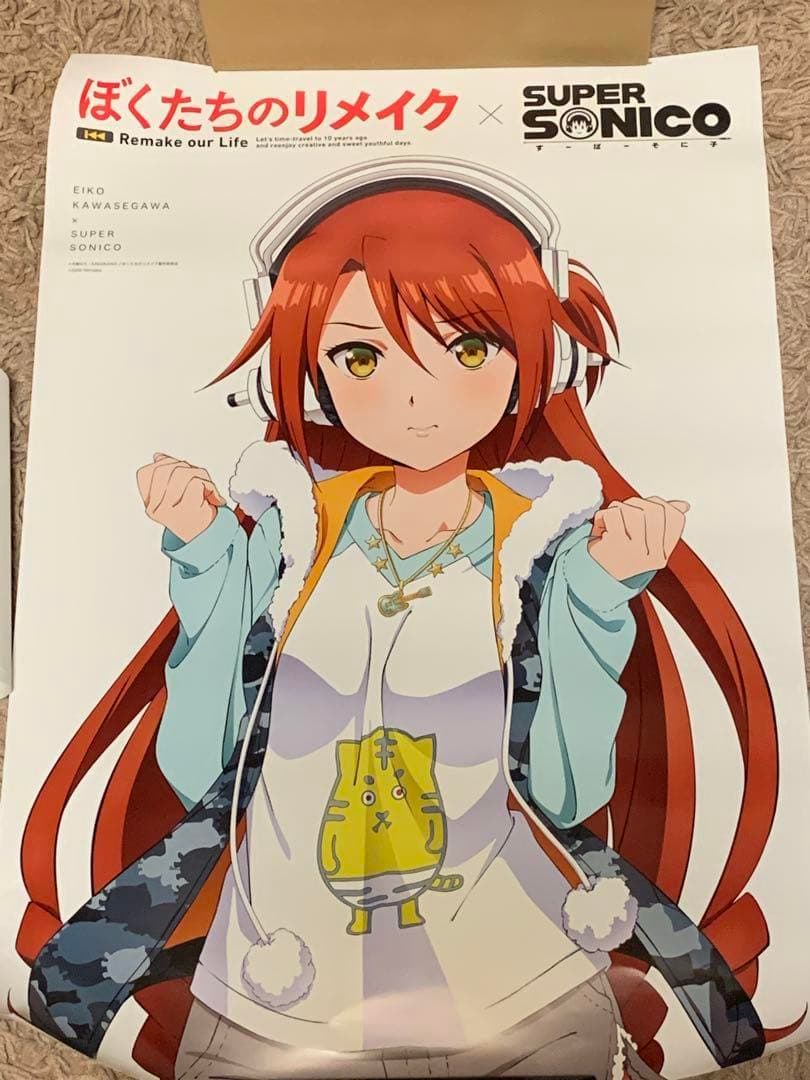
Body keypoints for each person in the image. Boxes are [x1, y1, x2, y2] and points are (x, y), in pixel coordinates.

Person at [19, 165, 785, 1080]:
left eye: (469, 348)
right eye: (361, 358)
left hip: (522, 997)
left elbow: (568, 788)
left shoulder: (544, 549)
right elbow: (198, 762)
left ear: (538, 358)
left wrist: (596, 598)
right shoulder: (289, 534)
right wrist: (205, 559)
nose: (416, 396)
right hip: (267, 1005)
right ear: (306, 375)